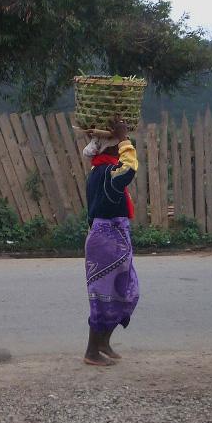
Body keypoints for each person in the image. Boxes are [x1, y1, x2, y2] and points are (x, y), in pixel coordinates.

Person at [81, 117, 139, 366]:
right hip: (107, 239)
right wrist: (125, 137)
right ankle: (92, 352)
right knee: (105, 296)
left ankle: (102, 342)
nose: (121, 149)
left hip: (110, 236)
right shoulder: (107, 173)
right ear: (112, 149)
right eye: (118, 145)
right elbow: (130, 169)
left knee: (124, 292)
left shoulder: (99, 170)